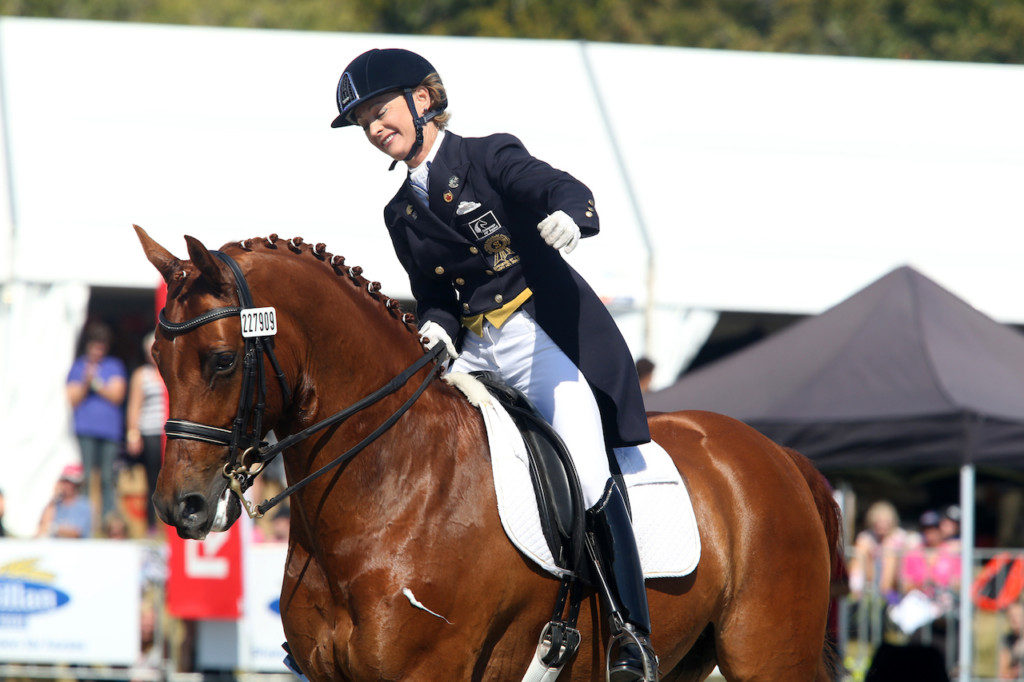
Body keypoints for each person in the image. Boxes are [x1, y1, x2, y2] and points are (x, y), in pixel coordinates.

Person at [332, 47, 656, 681]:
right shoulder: (399, 214)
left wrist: (569, 215)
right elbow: (435, 294)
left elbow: (559, 187)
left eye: (379, 111)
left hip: (539, 341)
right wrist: (435, 328)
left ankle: (628, 632)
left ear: (423, 99)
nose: (374, 129)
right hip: (475, 358)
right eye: (364, 121)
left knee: (588, 471)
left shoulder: (486, 155)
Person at [66, 322, 127, 517]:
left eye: (101, 347)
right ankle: (84, 519)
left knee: (107, 478)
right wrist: (86, 382)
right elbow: (72, 398)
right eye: (94, 346)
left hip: (109, 430)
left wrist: (97, 384)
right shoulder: (78, 366)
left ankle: (108, 519)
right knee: (84, 477)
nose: (97, 351)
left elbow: (117, 395)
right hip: (85, 429)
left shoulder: (114, 366)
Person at [126, 332, 165, 530]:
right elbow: (134, 406)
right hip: (150, 431)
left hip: (170, 433)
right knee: (153, 478)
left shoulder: (171, 371)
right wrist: (133, 434)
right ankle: (152, 524)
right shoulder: (142, 375)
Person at [849, 500, 913, 601]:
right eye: (879, 522)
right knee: (861, 550)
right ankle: (856, 590)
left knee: (890, 553)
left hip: (895, 588)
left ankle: (882, 596)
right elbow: (858, 560)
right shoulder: (866, 537)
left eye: (885, 522)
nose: (882, 525)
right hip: (870, 579)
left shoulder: (899, 537)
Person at [35, 464, 93, 538]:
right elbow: (43, 527)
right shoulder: (55, 505)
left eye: (69, 482)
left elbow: (76, 533)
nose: (65, 486)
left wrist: (53, 528)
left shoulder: (84, 506)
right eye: (64, 482)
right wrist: (53, 499)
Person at [999, 601, 1024, 679]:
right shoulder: (1007, 639)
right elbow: (1003, 673)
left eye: (1018, 616)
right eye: (1011, 616)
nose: (1014, 620)